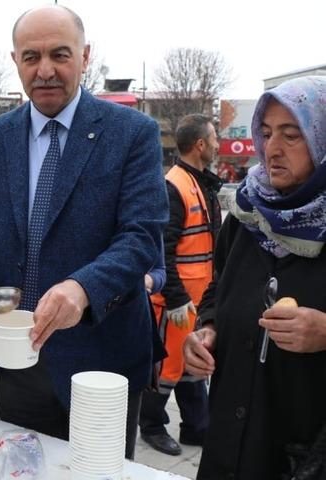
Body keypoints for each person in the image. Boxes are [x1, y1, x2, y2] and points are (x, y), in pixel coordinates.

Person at [0, 5, 167, 460]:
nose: (46, 70)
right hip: (19, 354)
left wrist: (83, 287)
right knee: (23, 467)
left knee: (100, 471)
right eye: (31, 57)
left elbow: (141, 237)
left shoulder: (132, 133)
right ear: (15, 60)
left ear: (85, 55)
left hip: (102, 353)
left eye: (60, 54)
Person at [183, 76, 326, 479]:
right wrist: (207, 326)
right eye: (265, 134)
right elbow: (217, 286)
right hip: (227, 442)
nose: (272, 149)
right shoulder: (248, 215)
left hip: (299, 454)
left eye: (291, 135)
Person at [140, 114, 221, 456]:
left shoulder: (199, 182)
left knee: (193, 364)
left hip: (197, 298)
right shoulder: (175, 185)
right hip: (176, 301)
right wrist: (174, 298)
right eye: (215, 138)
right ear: (200, 144)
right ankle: (151, 425)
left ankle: (196, 427)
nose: (218, 145)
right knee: (168, 367)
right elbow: (163, 249)